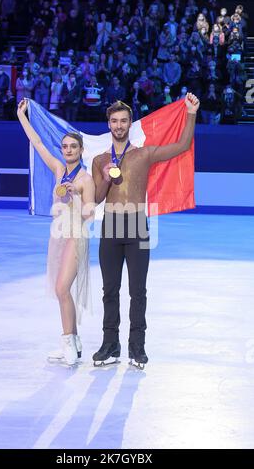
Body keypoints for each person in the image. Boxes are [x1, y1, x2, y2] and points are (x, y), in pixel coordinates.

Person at [92, 95, 199, 369]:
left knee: (138, 291)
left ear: (130, 124)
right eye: (114, 121)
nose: (118, 125)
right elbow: (96, 199)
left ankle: (137, 347)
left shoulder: (143, 153)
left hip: (137, 224)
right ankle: (110, 344)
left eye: (123, 121)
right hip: (111, 224)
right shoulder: (100, 159)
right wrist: (105, 176)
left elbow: (183, 145)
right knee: (109, 290)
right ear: (108, 124)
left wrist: (190, 113)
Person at [17, 98, 95, 366]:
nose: (68, 150)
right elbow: (38, 143)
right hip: (58, 236)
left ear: (81, 150)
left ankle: (68, 343)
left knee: (62, 288)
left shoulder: (85, 179)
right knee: (61, 290)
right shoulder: (59, 169)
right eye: (65, 147)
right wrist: (22, 117)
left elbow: (90, 213)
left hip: (76, 235)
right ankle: (73, 342)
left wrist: (76, 197)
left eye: (73, 146)